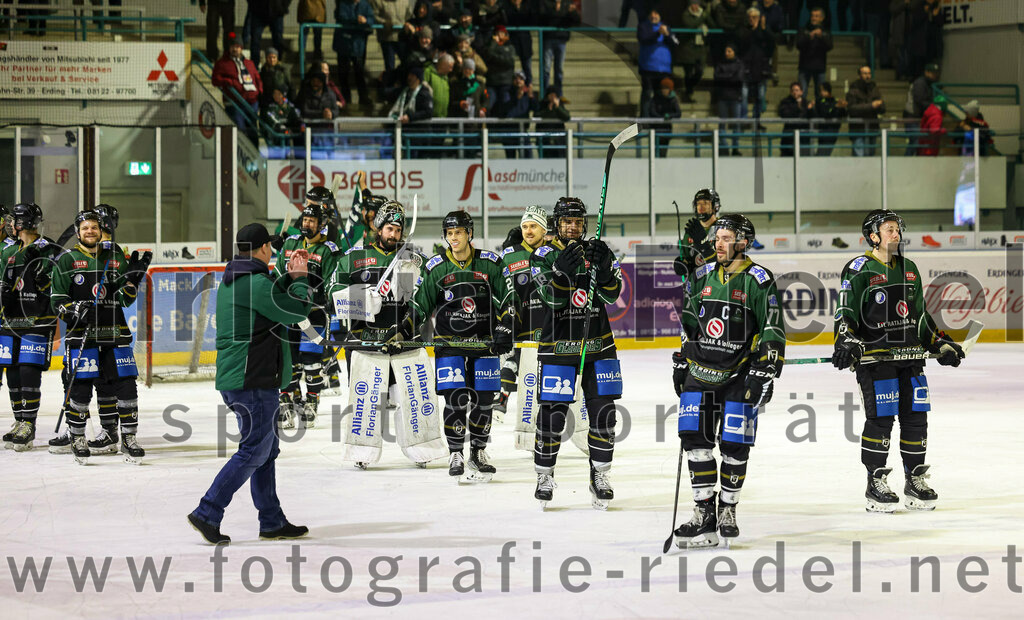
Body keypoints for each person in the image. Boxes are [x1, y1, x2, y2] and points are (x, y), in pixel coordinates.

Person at [832, 209, 964, 512]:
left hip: (911, 357)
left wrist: (939, 342)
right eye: (889, 229)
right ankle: (875, 481)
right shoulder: (858, 268)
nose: (896, 234)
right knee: (881, 420)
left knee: (916, 418)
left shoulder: (909, 268)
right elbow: (845, 313)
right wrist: (846, 340)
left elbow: (919, 317)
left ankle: (914, 479)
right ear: (873, 236)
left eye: (897, 229)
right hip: (876, 360)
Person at [188, 223, 311, 545]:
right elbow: (294, 310)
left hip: (248, 377)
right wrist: (299, 278)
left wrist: (286, 275)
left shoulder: (242, 277)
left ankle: (271, 520)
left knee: (266, 450)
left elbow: (271, 298)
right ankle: (207, 511)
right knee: (254, 450)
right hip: (251, 379)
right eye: (270, 245)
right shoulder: (253, 282)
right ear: (262, 248)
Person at [672, 213, 785, 548]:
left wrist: (764, 369)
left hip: (740, 374)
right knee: (694, 439)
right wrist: (682, 359)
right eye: (717, 238)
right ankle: (704, 512)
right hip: (700, 371)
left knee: (735, 445)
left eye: (725, 238)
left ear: (743, 242)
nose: (718, 244)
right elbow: (689, 322)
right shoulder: (703, 273)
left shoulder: (759, 279)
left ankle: (728, 510)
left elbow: (772, 326)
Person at [397, 211, 512, 481]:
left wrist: (505, 327)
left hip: (485, 345)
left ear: (469, 233)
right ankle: (456, 452)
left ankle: (479, 451)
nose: (453, 238)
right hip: (450, 345)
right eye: (449, 234)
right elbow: (420, 304)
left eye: (458, 232)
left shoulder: (490, 264)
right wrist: (404, 328)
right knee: (456, 399)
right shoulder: (436, 267)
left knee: (485, 402)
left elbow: (508, 299)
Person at [327, 201, 440, 469]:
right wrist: (360, 300)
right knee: (367, 400)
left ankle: (419, 449)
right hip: (365, 341)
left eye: (398, 230)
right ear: (378, 228)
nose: (394, 235)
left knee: (409, 396)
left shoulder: (414, 260)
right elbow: (331, 295)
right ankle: (361, 452)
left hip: (404, 341)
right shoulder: (354, 257)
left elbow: (429, 295)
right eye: (389, 228)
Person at [530, 197, 623, 509]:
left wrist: (607, 268)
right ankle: (545, 475)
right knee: (553, 414)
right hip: (558, 347)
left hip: (599, 345)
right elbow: (549, 299)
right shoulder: (543, 254)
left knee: (604, 412)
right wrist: (561, 273)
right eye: (568, 221)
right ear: (557, 223)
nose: (573, 227)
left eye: (579, 221)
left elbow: (612, 296)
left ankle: (600, 475)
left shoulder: (598, 251)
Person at [50, 210, 151, 465]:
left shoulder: (115, 257)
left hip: (115, 332)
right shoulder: (67, 261)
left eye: (94, 227)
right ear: (78, 232)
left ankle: (129, 438)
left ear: (100, 229)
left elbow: (125, 300)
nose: (90, 231)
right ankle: (77, 437)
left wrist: (132, 283)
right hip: (82, 335)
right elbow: (57, 300)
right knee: (81, 387)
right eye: (85, 228)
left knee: (127, 385)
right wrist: (73, 310)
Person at [275, 196, 343, 429]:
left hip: (314, 314)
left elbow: (331, 284)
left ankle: (311, 402)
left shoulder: (329, 250)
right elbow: (276, 274)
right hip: (287, 312)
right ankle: (286, 402)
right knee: (288, 361)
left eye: (312, 220)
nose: (307, 223)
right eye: (305, 219)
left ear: (322, 224)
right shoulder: (291, 243)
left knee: (311, 360)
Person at [0, 204, 62, 452]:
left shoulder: (50, 249)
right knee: (13, 372)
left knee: (28, 369)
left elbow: (59, 283)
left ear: (22, 224)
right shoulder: (7, 251)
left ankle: (29, 423)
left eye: (13, 221)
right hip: (10, 320)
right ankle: (19, 421)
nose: (10, 225)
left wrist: (42, 276)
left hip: (39, 320)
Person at [494, 205, 548, 419]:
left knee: (543, 374)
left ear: (544, 230)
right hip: (521, 321)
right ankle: (503, 398)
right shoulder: (509, 255)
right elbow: (501, 290)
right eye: (525, 226)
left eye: (533, 226)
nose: (528, 230)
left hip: (548, 324)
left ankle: (544, 417)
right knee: (514, 360)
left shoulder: (553, 253)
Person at [212, 33, 263, 144]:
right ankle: (240, 158)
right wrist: (229, 82)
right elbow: (215, 80)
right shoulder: (222, 63)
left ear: (241, 48)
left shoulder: (249, 63)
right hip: (235, 103)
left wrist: (259, 91)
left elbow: (257, 78)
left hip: (252, 102)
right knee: (240, 131)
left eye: (237, 46)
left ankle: (254, 156)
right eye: (232, 47)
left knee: (253, 131)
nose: (235, 49)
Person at [672, 188, 721, 281]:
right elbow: (688, 258)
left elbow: (726, 262)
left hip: (716, 285)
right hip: (695, 287)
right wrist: (683, 265)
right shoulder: (691, 231)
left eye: (705, 203)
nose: (701, 207)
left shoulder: (723, 228)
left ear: (715, 206)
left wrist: (704, 244)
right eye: (698, 203)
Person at [334, 0, 375, 110]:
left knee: (359, 72)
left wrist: (366, 20)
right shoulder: (343, 3)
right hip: (344, 44)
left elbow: (371, 19)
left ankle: (363, 96)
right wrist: (357, 20)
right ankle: (346, 98)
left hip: (358, 44)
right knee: (343, 73)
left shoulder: (365, 5)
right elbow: (342, 17)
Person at [737, 6, 775, 120]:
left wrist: (762, 29)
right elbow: (743, 43)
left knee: (761, 95)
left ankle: (756, 120)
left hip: (760, 67)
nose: (752, 19)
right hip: (746, 67)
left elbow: (771, 44)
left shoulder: (764, 30)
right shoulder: (743, 29)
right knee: (743, 95)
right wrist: (753, 29)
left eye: (754, 17)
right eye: (750, 17)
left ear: (759, 18)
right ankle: (743, 119)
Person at [389, 66, 435, 159]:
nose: (409, 78)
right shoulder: (405, 92)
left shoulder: (424, 94)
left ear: (417, 79)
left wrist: (410, 117)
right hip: (406, 134)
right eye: (409, 75)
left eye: (412, 75)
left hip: (420, 137)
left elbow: (428, 112)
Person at [637, 9, 676, 114]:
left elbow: (675, 43)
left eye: (656, 14)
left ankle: (660, 123)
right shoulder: (643, 27)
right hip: (648, 68)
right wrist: (658, 33)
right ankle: (645, 121)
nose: (654, 16)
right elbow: (644, 39)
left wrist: (667, 35)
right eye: (652, 14)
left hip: (664, 69)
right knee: (647, 95)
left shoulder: (666, 27)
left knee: (662, 96)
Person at [538, 0, 580, 96]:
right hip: (548, 38)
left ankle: (558, 94)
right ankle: (545, 93)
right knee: (546, 69)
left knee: (559, 69)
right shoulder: (545, 3)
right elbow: (544, 19)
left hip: (561, 39)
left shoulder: (567, 3)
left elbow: (576, 21)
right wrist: (560, 13)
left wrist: (572, 12)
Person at [845, 65, 885, 156]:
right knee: (859, 159)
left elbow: (883, 107)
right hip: (858, 129)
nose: (868, 76)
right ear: (859, 75)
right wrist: (871, 106)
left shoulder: (874, 88)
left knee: (870, 156)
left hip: (872, 128)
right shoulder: (853, 90)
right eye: (865, 73)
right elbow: (852, 109)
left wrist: (879, 106)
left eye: (869, 73)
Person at [714, 43, 745, 156]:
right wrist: (731, 76)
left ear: (734, 52)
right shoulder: (720, 63)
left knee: (736, 124)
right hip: (723, 97)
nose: (726, 53)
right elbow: (717, 78)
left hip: (735, 97)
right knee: (722, 123)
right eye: (726, 51)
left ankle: (735, 148)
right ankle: (724, 147)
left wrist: (725, 77)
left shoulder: (739, 64)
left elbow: (738, 78)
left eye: (729, 51)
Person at [678, 0, 711, 104]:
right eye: (693, 4)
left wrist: (707, 15)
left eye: (697, 4)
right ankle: (688, 93)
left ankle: (689, 89)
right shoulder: (686, 15)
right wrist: (703, 17)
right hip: (688, 49)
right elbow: (691, 26)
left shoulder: (703, 14)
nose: (696, 6)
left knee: (699, 71)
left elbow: (713, 24)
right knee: (688, 73)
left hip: (700, 49)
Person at [795, 7, 832, 99]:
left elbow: (829, 46)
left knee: (820, 94)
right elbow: (798, 45)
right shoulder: (803, 30)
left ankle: (819, 112)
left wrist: (821, 37)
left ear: (822, 18)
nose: (814, 18)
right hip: (804, 67)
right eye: (812, 16)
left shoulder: (826, 31)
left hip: (819, 68)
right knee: (802, 93)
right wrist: (809, 37)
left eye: (816, 16)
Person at [371, 0, 413, 75]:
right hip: (387, 38)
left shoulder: (405, 1)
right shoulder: (379, 2)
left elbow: (409, 16)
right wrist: (384, 22)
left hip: (402, 37)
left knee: (406, 62)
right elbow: (374, 15)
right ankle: (390, 83)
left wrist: (409, 24)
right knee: (389, 65)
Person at [643, 77, 682, 158]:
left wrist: (669, 116)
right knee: (654, 154)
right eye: (663, 88)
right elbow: (652, 111)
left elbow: (678, 113)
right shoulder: (655, 98)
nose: (664, 90)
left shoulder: (673, 100)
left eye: (666, 88)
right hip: (656, 130)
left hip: (666, 131)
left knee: (663, 153)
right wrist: (661, 118)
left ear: (670, 89)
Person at [481, 24, 516, 111]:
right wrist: (493, 43)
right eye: (497, 33)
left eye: (502, 33)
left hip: (505, 82)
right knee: (489, 104)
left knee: (505, 105)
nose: (499, 35)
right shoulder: (490, 45)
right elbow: (488, 56)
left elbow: (509, 62)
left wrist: (495, 58)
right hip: (492, 82)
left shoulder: (510, 47)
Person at [807, 81, 846, 156]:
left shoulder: (835, 101)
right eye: (820, 90)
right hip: (823, 130)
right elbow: (825, 113)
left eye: (823, 90)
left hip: (833, 130)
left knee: (825, 153)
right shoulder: (820, 101)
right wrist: (836, 107)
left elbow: (842, 115)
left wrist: (842, 108)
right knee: (822, 154)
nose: (821, 92)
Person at [249, 0, 289, 69]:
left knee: (278, 40)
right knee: (255, 41)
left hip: (277, 10)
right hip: (258, 11)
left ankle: (277, 67)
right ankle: (254, 68)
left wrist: (282, 5)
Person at [503, 0, 535, 87]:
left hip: (525, 41)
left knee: (527, 67)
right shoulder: (506, 7)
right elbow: (508, 20)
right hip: (512, 39)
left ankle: (528, 87)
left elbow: (532, 20)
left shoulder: (528, 6)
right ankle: (510, 88)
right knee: (510, 66)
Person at [535, 86, 570, 159]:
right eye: (551, 95)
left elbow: (567, 117)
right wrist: (548, 109)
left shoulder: (560, 104)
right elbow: (536, 115)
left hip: (559, 140)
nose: (553, 97)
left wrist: (557, 107)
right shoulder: (542, 104)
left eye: (554, 95)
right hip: (545, 139)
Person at [778, 81, 806, 157]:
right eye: (793, 90)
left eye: (797, 90)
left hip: (803, 139)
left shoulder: (805, 103)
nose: (795, 92)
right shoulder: (785, 102)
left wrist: (810, 109)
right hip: (788, 138)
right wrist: (798, 108)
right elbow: (785, 114)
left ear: (801, 92)